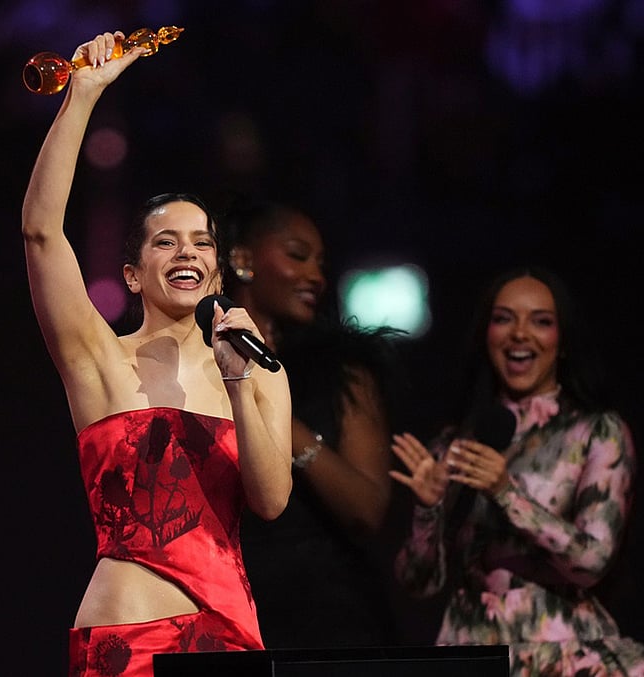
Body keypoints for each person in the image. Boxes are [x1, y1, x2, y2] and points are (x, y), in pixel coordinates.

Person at [21, 32, 294, 677]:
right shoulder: (99, 360)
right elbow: (40, 231)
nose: (186, 254)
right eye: (165, 243)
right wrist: (82, 96)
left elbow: (271, 500)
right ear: (134, 273)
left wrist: (236, 381)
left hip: (227, 632)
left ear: (219, 273)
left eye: (200, 243)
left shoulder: (256, 368)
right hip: (127, 636)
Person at [390, 265, 644, 675]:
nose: (520, 334)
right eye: (504, 318)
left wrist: (507, 492)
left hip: (564, 654)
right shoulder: (456, 444)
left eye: (540, 321)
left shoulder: (596, 432)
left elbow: (593, 561)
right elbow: (419, 583)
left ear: (561, 342)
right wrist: (427, 509)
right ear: (486, 335)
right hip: (472, 651)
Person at [220, 198, 407, 648]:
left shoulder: (343, 370)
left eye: (320, 264)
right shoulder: (197, 367)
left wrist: (274, 413)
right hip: (227, 612)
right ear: (243, 260)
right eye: (297, 255)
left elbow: (366, 510)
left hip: (327, 620)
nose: (315, 276)